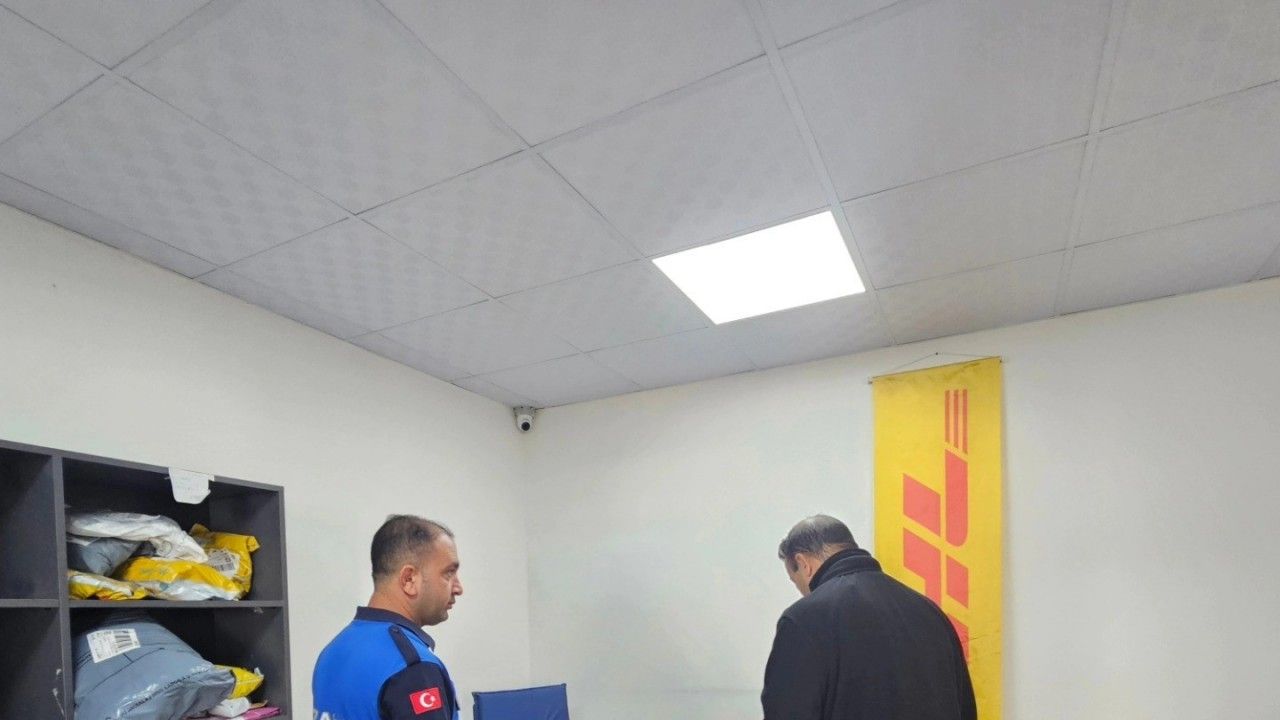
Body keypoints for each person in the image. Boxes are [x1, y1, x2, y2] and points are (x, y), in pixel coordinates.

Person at [762, 515, 976, 720]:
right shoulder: (931, 613)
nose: (802, 591)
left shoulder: (803, 620)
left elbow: (787, 713)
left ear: (803, 563)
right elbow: (965, 708)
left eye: (795, 580)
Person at [313, 515, 464, 720]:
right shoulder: (412, 669)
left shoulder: (334, 651)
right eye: (448, 573)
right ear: (409, 579)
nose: (458, 588)